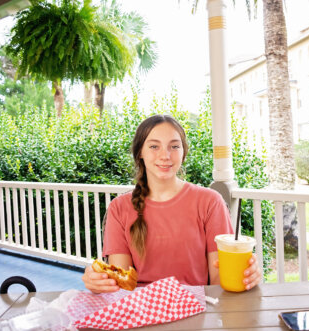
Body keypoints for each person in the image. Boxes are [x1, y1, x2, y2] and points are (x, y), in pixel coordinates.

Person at [82, 114, 262, 293]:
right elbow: (121, 284)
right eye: (154, 146)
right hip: (141, 312)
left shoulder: (210, 202)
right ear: (140, 153)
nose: (165, 155)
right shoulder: (119, 208)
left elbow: (218, 282)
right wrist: (99, 282)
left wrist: (246, 276)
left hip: (198, 308)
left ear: (183, 153)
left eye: (174, 146)